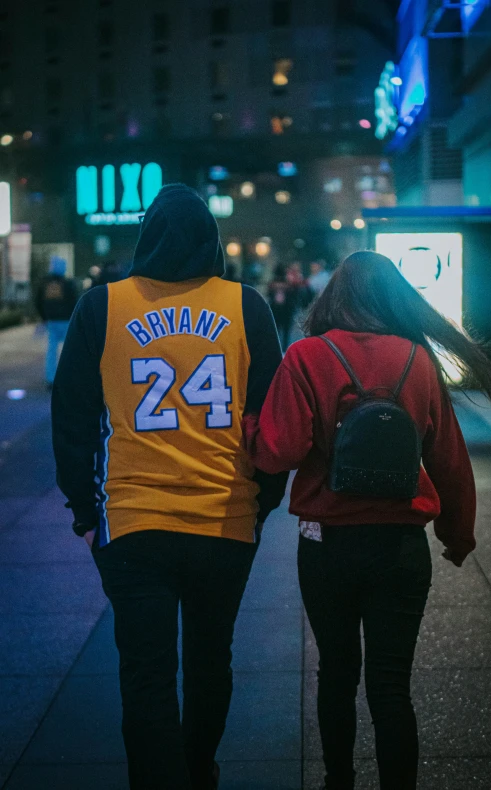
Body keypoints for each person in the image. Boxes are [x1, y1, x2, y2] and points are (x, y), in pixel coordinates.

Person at [243, 251, 491, 790]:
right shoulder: (417, 360)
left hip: (327, 549)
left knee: (336, 675)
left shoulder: (307, 357)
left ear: (333, 296)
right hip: (400, 549)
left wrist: (250, 425)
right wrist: (457, 536)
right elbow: (450, 462)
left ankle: (338, 781)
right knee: (391, 686)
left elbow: (278, 451)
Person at [51, 184, 287, 790]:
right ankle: (198, 767)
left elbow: (72, 418)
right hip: (225, 517)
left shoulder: (102, 307)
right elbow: (273, 419)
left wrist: (85, 511)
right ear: (212, 240)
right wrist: (264, 500)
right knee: (212, 661)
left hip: (132, 521)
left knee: (146, 673)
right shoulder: (246, 306)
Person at [35, 255, 78, 388]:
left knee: (51, 350)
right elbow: (74, 301)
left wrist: (44, 317)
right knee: (68, 350)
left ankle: (51, 378)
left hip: (51, 321)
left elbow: (38, 301)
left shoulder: (45, 283)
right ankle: (70, 377)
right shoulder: (67, 283)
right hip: (66, 321)